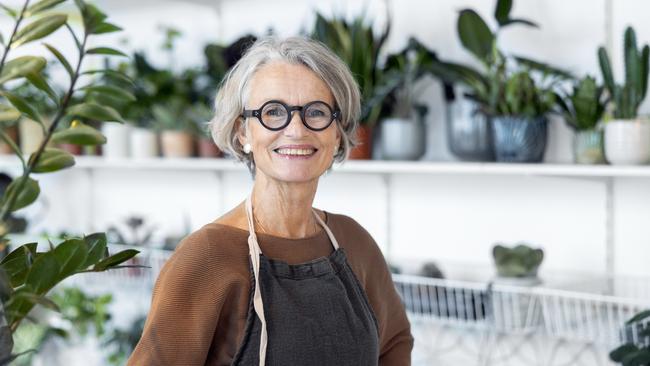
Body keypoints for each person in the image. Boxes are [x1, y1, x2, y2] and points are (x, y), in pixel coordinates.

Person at [128, 36, 413, 366]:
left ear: (337, 133)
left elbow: (394, 342)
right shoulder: (206, 258)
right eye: (273, 112)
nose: (296, 130)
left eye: (316, 112)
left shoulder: (354, 243)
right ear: (242, 133)